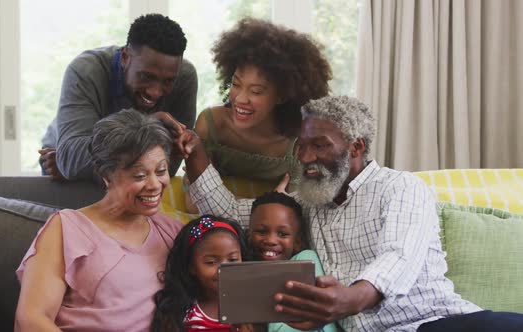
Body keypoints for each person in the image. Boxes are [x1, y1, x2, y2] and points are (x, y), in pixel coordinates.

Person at [181, 95, 523, 331]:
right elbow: (231, 214)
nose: (305, 157)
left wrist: (350, 298)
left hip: (436, 323)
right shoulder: (309, 202)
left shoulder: (400, 187)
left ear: (356, 147)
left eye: (320, 146)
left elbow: (399, 256)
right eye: (302, 146)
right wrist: (194, 149)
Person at [15, 109, 184, 331]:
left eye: (161, 171)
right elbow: (31, 319)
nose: (154, 184)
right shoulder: (66, 229)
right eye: (140, 176)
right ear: (106, 176)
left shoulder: (172, 232)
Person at [184, 17, 332, 212]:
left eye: (256, 91)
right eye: (236, 85)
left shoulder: (299, 142)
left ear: (281, 96)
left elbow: (296, 212)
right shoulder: (211, 124)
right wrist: (269, 203)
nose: (240, 99)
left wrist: (226, 199)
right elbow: (193, 203)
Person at [39, 13, 198, 181]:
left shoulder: (184, 77)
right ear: (124, 57)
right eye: (146, 76)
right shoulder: (86, 70)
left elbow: (167, 169)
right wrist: (148, 131)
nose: (156, 92)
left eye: (168, 81)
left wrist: (90, 166)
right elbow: (73, 162)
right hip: (60, 165)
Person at [249, 191, 337, 332]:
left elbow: (325, 319)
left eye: (282, 234)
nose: (271, 240)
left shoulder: (304, 262)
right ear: (249, 235)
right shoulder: (244, 274)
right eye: (261, 231)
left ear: (297, 242)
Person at [151, 214, 253, 331]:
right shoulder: (181, 314)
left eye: (233, 259)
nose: (224, 268)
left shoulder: (250, 307)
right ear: (191, 266)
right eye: (211, 262)